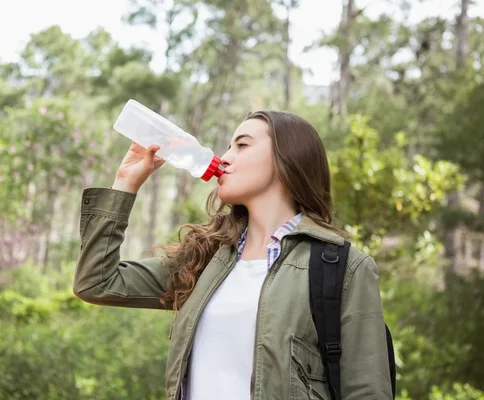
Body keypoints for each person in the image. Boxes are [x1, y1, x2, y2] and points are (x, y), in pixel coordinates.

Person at [74, 110, 393, 400]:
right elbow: (97, 282)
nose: (224, 158)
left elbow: (367, 391)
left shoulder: (342, 268)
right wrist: (125, 182)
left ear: (287, 158)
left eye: (241, 145)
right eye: (228, 146)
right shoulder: (203, 259)